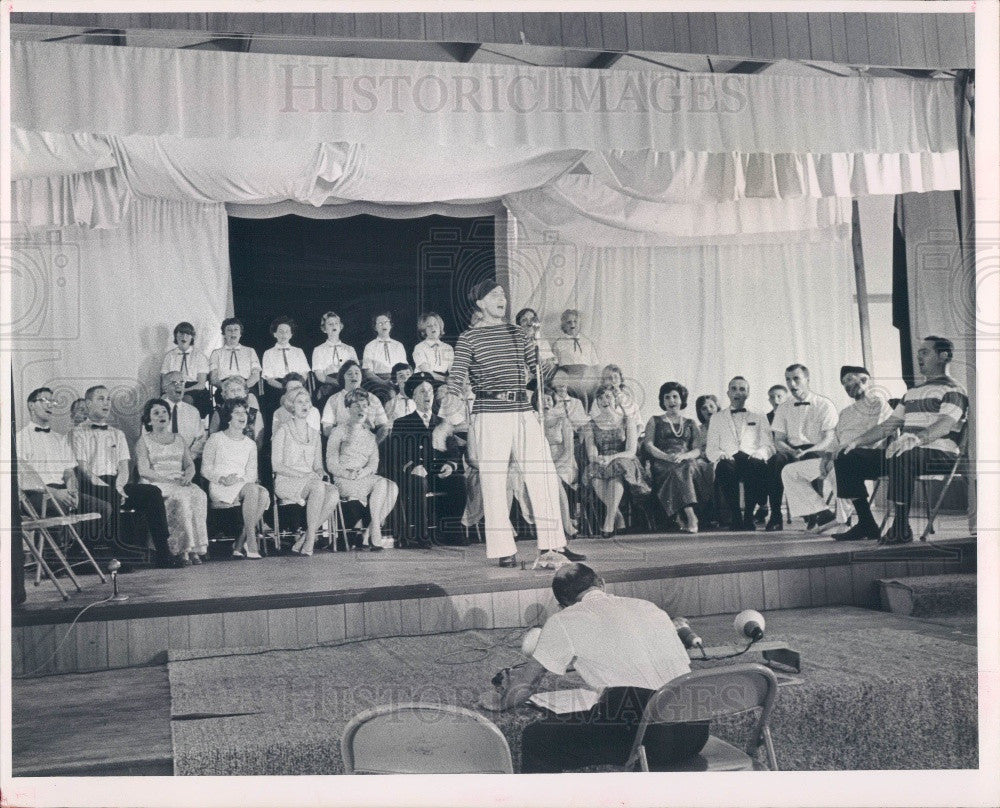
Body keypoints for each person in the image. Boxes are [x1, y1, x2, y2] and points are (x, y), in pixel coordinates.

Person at [479, 563, 709, 773]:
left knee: (537, 737)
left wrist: (499, 701)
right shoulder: (650, 608)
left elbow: (523, 688)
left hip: (647, 738)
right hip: (695, 733)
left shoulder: (564, 619)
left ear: (561, 605)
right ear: (601, 583)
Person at [436, 279, 584, 567]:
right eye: (494, 294)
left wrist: (553, 365)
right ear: (480, 303)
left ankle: (552, 546)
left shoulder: (518, 333)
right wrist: (445, 419)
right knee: (493, 482)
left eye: (503, 293)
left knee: (542, 475)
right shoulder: (469, 338)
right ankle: (504, 549)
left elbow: (540, 369)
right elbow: (456, 378)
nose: (501, 298)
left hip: (523, 410)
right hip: (489, 413)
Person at [833, 337, 969, 544]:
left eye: (925, 352)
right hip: (907, 453)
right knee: (846, 457)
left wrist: (915, 438)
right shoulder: (912, 393)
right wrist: (856, 442)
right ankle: (866, 523)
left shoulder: (954, 390)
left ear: (944, 356)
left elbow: (944, 425)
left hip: (941, 453)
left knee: (902, 453)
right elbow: (888, 426)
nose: (918, 356)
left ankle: (901, 526)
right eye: (918, 352)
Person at [71, 385, 179, 568]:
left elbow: (124, 466)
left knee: (152, 492)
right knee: (111, 496)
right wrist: (109, 489)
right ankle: (115, 552)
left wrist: (120, 486)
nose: (106, 403)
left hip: (115, 483)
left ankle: (163, 552)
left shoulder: (117, 433)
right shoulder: (78, 432)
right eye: (100, 399)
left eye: (108, 399)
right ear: (88, 404)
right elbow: (83, 468)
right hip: (91, 484)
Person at [783, 365, 894, 535]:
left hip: (862, 458)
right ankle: (824, 514)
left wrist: (842, 454)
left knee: (842, 463)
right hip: (837, 457)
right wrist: (827, 457)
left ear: (864, 379)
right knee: (790, 471)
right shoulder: (845, 412)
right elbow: (835, 440)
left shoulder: (879, 404)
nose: (846, 385)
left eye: (849, 379)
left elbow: (880, 435)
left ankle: (843, 519)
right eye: (843, 383)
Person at [16, 387, 113, 552]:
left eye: (52, 401)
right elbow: (23, 481)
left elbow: (69, 472)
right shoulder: (20, 439)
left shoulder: (59, 438)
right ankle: (54, 561)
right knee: (56, 507)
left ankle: (77, 552)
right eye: (44, 400)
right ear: (31, 406)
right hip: (35, 495)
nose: (50, 405)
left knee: (103, 508)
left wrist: (72, 490)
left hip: (62, 492)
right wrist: (55, 493)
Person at [389, 373, 465, 548]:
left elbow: (452, 449)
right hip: (414, 475)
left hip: (438, 472)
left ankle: (450, 532)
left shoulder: (442, 422)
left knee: (458, 480)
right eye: (422, 391)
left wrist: (450, 465)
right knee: (418, 482)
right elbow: (397, 452)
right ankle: (420, 534)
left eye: (430, 391)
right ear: (414, 397)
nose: (427, 395)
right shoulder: (403, 423)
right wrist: (412, 467)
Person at [135, 398, 210, 565]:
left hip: (179, 480)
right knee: (181, 498)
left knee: (199, 494)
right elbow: (144, 471)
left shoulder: (178, 438)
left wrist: (188, 476)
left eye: (164, 412)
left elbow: (189, 464)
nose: (162, 415)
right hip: (156, 482)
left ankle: (196, 549)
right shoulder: (144, 441)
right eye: (156, 413)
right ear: (149, 419)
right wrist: (168, 480)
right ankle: (182, 550)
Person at [766, 365, 838, 532]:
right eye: (788, 379)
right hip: (790, 449)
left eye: (796, 378)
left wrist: (806, 451)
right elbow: (779, 440)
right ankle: (776, 516)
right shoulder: (784, 407)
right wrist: (791, 451)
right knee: (775, 462)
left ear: (807, 380)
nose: (792, 383)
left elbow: (829, 438)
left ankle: (816, 516)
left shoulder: (824, 404)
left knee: (809, 457)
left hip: (817, 449)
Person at [271, 389, 340, 556]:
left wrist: (318, 472)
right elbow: (276, 465)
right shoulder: (283, 430)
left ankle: (304, 538)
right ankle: (310, 541)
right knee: (317, 487)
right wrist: (304, 476)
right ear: (291, 406)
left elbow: (318, 466)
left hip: (309, 481)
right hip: (286, 481)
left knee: (333, 492)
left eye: (307, 401)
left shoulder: (315, 434)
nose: (305, 405)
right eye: (299, 402)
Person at [326, 389, 397, 552]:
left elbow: (373, 464)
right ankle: (374, 534)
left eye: (364, 406)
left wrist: (363, 473)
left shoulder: (370, 436)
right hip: (344, 479)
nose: (361, 409)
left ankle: (370, 531)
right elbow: (331, 463)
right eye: (356, 406)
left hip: (363, 477)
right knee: (382, 485)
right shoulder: (338, 431)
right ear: (348, 408)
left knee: (392, 486)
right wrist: (348, 473)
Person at [202, 399, 271, 559]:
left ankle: (240, 544)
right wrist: (222, 479)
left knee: (263, 493)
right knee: (255, 490)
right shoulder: (215, 439)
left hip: (241, 484)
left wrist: (238, 480)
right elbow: (205, 469)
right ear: (228, 417)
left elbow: (252, 475)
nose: (243, 416)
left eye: (245, 413)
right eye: (238, 412)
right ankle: (251, 542)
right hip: (220, 485)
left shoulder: (250, 444)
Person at [705, 377, 774, 532]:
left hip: (751, 458)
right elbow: (711, 448)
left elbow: (768, 445)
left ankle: (749, 516)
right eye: (734, 389)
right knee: (723, 468)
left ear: (748, 393)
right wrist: (721, 454)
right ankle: (735, 516)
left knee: (756, 466)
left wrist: (760, 453)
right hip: (729, 459)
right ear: (728, 393)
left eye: (742, 389)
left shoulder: (759, 415)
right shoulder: (717, 418)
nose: (738, 392)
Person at [643, 382, 713, 534]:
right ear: (662, 401)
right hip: (662, 461)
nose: (671, 401)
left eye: (675, 397)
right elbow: (649, 445)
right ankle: (691, 516)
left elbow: (697, 449)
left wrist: (684, 456)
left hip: (686, 460)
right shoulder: (654, 420)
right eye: (667, 397)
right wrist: (666, 456)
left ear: (682, 400)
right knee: (675, 470)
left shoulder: (690, 423)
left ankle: (679, 516)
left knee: (685, 467)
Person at [584, 384, 650, 538]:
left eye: (608, 396)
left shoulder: (628, 420)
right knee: (594, 471)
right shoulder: (590, 424)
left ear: (615, 399)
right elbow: (591, 451)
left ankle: (608, 521)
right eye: (600, 398)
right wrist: (597, 458)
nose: (604, 400)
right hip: (603, 461)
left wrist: (611, 458)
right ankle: (617, 515)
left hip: (624, 459)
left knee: (616, 470)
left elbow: (631, 451)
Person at [537, 387, 578, 539]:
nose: (545, 402)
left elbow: (569, 451)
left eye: (548, 399)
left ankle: (566, 524)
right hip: (542, 465)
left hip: (564, 464)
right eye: (541, 399)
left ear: (553, 401)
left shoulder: (563, 421)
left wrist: (553, 467)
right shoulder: (533, 423)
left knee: (554, 479)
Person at [320, 360, 389, 441]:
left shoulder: (373, 398)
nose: (354, 376)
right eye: (349, 374)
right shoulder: (333, 399)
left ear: (361, 376)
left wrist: (374, 444)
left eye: (357, 373)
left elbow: (384, 426)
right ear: (343, 377)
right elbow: (327, 430)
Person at [261, 316, 311, 416]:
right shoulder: (268, 353)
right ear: (275, 334)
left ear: (291, 334)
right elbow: (269, 379)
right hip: (278, 387)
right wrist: (285, 388)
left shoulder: (298, 351)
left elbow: (305, 373)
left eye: (287, 331)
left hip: (298, 385)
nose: (284, 334)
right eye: (280, 331)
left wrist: (297, 387)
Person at [160, 322, 212, 418]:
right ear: (176, 335)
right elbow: (164, 382)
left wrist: (184, 390)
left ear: (192, 337)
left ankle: (186, 428)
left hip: (194, 389)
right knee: (163, 400)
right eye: (181, 333)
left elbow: (201, 384)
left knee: (186, 399)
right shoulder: (169, 356)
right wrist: (174, 389)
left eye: (187, 334)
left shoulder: (199, 356)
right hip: (174, 386)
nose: (184, 337)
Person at [551, 309, 601, 404]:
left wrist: (596, 382)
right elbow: (555, 366)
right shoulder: (558, 343)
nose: (572, 324)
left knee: (592, 396)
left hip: (587, 379)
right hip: (569, 380)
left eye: (575, 321)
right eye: (569, 322)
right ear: (564, 326)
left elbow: (595, 365)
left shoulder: (588, 342)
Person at [311, 311, 358, 408]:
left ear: (340, 327)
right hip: (330, 383)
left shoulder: (349, 349)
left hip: (349, 380)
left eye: (336, 323)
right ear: (324, 329)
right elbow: (320, 376)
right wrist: (337, 382)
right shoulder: (318, 350)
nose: (334, 326)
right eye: (330, 324)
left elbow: (357, 370)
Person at [161, 372, 208, 464]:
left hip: (188, 462)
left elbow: (201, 439)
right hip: (161, 462)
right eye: (174, 383)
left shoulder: (193, 411)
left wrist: (189, 457)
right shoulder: (155, 410)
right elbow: (147, 438)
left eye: (181, 382)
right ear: (165, 388)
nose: (179, 386)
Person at [361, 311, 407, 401]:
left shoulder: (398, 345)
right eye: (380, 323)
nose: (384, 325)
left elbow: (405, 368)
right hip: (378, 381)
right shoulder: (370, 346)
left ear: (390, 325)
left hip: (399, 379)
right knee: (391, 394)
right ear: (375, 327)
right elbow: (368, 372)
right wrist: (384, 382)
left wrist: (400, 380)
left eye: (386, 322)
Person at [209, 317, 261, 391]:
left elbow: (256, 376)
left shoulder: (250, 351)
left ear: (240, 334)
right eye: (229, 330)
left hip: (246, 386)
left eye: (236, 330)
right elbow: (213, 378)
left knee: (251, 400)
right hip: (224, 387)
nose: (233, 333)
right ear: (224, 334)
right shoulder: (216, 353)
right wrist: (226, 388)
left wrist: (243, 387)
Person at [588, 364, 643, 435]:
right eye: (609, 378)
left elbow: (639, 424)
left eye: (616, 377)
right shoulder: (598, 402)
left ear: (621, 379)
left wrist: (634, 438)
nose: (613, 380)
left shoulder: (630, 402)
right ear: (604, 381)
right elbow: (595, 423)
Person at [209, 375, 264, 446]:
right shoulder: (219, 413)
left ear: (245, 393)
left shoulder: (255, 414)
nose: (236, 393)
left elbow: (258, 442)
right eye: (232, 390)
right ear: (225, 395)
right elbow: (212, 439)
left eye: (239, 390)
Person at [514, 307, 557, 379]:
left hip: (549, 377)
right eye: (524, 320)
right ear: (519, 325)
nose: (529, 323)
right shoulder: (518, 341)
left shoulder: (542, 340)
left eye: (532, 319)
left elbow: (552, 361)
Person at [412, 312, 454, 382]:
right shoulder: (419, 347)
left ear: (440, 327)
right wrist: (445, 379)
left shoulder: (448, 348)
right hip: (425, 380)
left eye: (435, 324)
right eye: (429, 326)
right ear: (424, 330)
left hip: (443, 382)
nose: (433, 328)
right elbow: (426, 371)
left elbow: (452, 369)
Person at [550, 368, 590, 432]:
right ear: (552, 383)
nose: (561, 382)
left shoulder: (577, 402)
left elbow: (584, 425)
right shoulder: (549, 404)